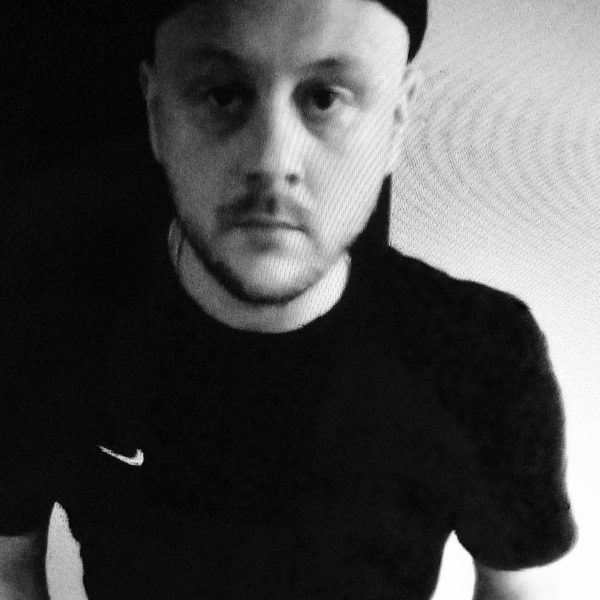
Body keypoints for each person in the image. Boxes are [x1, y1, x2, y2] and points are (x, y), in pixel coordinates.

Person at [0, 0, 577, 599]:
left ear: (397, 120)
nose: (272, 160)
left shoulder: (484, 353)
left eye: (325, 98)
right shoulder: (46, 335)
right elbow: (8, 569)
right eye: (223, 93)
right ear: (156, 112)